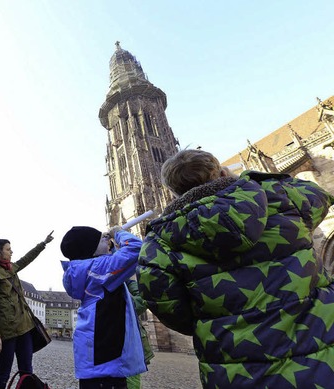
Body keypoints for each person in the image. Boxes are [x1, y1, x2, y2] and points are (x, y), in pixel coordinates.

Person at [137, 149, 334, 388]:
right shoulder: (280, 197)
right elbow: (318, 195)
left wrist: (213, 319)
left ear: (174, 192)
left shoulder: (158, 243)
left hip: (235, 371)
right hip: (319, 356)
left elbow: (173, 313)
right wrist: (248, 181)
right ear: (221, 172)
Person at [60, 226, 146, 389]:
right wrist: (118, 233)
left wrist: (109, 248)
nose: (108, 239)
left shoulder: (85, 269)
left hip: (98, 357)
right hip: (107, 356)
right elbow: (137, 249)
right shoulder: (98, 268)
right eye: (102, 238)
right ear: (90, 249)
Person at [0, 232, 54, 389]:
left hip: (25, 328)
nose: (11, 252)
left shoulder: (11, 268)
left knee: (27, 371)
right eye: (8, 249)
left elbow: (26, 259)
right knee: (3, 372)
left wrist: (43, 243)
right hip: (7, 331)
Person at [125, 279, 154, 389]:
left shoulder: (128, 282)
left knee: (131, 380)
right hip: (103, 341)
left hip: (130, 342)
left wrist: (122, 304)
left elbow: (144, 298)